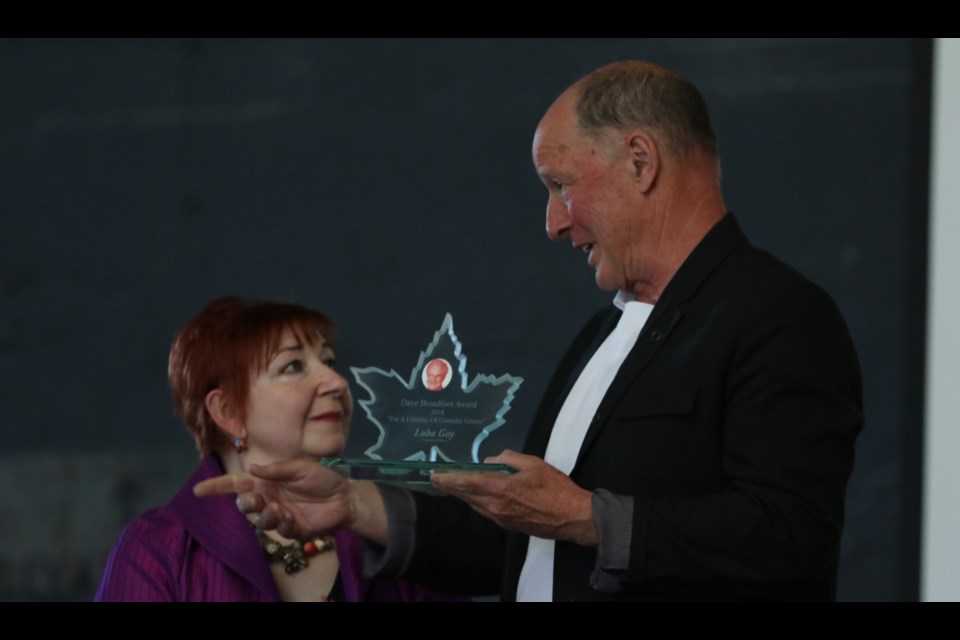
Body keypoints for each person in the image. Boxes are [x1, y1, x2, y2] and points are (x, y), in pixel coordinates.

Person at [196, 61, 864, 601]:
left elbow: (790, 535)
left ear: (640, 162)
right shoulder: (601, 337)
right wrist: (353, 504)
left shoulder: (778, 316)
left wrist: (583, 517)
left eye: (559, 185)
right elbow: (523, 546)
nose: (552, 224)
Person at [96, 297, 463, 602]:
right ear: (228, 411)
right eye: (293, 366)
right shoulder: (158, 550)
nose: (336, 382)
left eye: (329, 362)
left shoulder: (394, 526)